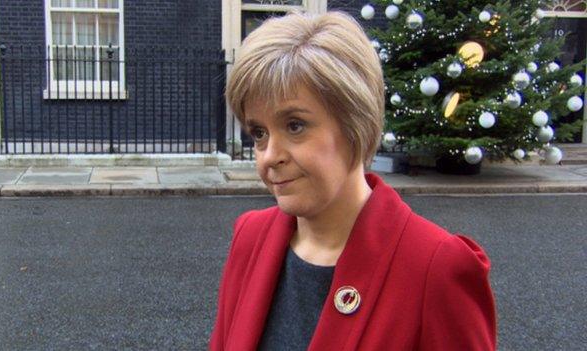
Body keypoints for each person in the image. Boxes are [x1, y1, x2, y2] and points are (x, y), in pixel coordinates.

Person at [210, 10, 496, 351]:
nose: (270, 155)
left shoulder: (436, 267)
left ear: (354, 123)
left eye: (295, 125)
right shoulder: (250, 237)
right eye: (259, 132)